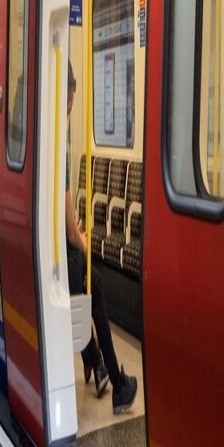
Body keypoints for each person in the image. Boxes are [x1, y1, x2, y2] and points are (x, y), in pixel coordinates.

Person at [65, 60, 138, 414]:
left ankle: (101, 366)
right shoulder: (57, 149)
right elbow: (66, 219)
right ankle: (111, 375)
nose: (71, 109)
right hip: (67, 251)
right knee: (91, 295)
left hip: (55, 252)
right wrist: (82, 239)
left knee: (87, 299)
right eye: (71, 101)